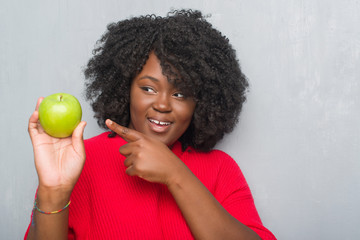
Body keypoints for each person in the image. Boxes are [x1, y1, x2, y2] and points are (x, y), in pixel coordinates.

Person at [25, 9, 276, 240]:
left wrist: (175, 174)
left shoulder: (221, 170)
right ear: (125, 89)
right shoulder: (81, 161)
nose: (163, 105)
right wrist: (53, 191)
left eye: (180, 94)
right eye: (148, 88)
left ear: (200, 102)